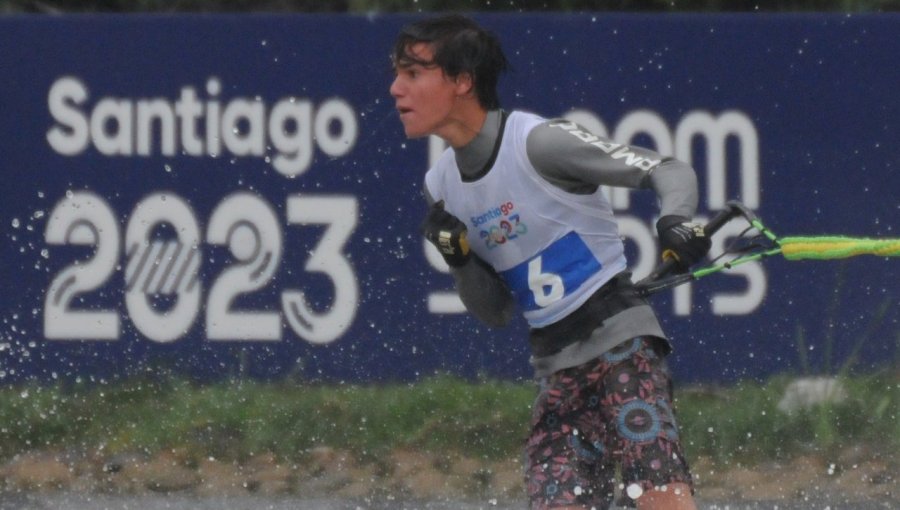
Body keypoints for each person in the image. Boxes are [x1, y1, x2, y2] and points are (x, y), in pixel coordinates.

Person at [390, 14, 710, 510]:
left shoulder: (538, 143)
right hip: (557, 374)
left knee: (660, 500)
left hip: (622, 349)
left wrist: (676, 222)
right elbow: (494, 312)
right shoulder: (440, 188)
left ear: (461, 82)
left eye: (412, 73)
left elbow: (670, 171)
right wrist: (459, 261)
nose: (395, 88)